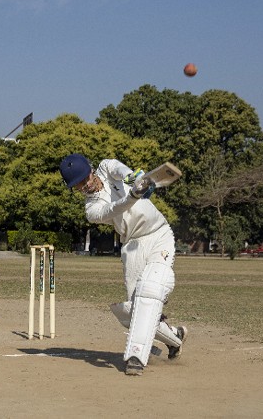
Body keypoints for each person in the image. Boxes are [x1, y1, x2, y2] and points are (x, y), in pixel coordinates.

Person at [60, 154, 187, 376]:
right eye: (78, 185)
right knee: (134, 310)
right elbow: (114, 210)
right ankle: (174, 337)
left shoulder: (106, 168)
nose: (84, 186)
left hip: (159, 234)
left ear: (90, 171)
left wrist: (132, 177)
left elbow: (118, 168)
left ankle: (136, 357)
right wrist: (134, 194)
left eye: (84, 179)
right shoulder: (91, 209)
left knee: (150, 290)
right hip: (133, 244)